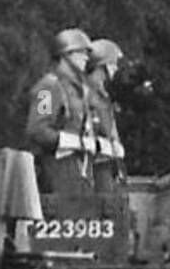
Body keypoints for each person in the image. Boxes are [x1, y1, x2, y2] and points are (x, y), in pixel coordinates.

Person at [26, 28, 96, 195]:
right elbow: (37, 130)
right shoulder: (48, 87)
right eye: (81, 52)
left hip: (78, 171)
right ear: (66, 54)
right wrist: (76, 142)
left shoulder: (79, 91)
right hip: (55, 170)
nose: (86, 57)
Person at [85, 38, 128, 192]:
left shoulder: (102, 95)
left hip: (107, 163)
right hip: (93, 165)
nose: (115, 68)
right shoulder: (85, 93)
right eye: (113, 64)